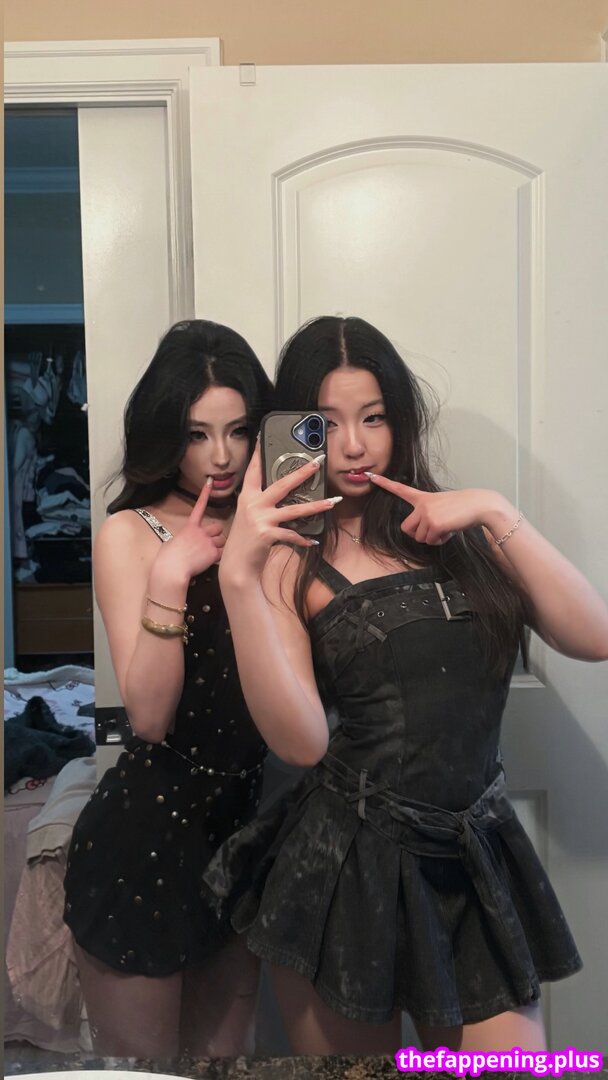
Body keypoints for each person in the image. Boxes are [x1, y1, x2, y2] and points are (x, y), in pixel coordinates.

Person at [206, 315, 608, 1055]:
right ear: (293, 429)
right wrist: (238, 573)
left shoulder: (456, 529)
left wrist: (493, 509)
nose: (354, 445)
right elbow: (301, 742)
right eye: (326, 424)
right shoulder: (288, 557)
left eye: (374, 417)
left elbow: (593, 636)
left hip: (474, 857)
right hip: (347, 868)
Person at [63, 319, 276, 1058]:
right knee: (145, 1074)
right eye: (196, 434)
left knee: (225, 1064)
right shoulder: (131, 533)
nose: (221, 456)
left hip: (246, 834)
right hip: (145, 840)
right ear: (164, 434)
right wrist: (171, 575)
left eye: (239, 430)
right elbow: (149, 717)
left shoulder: (270, 525)